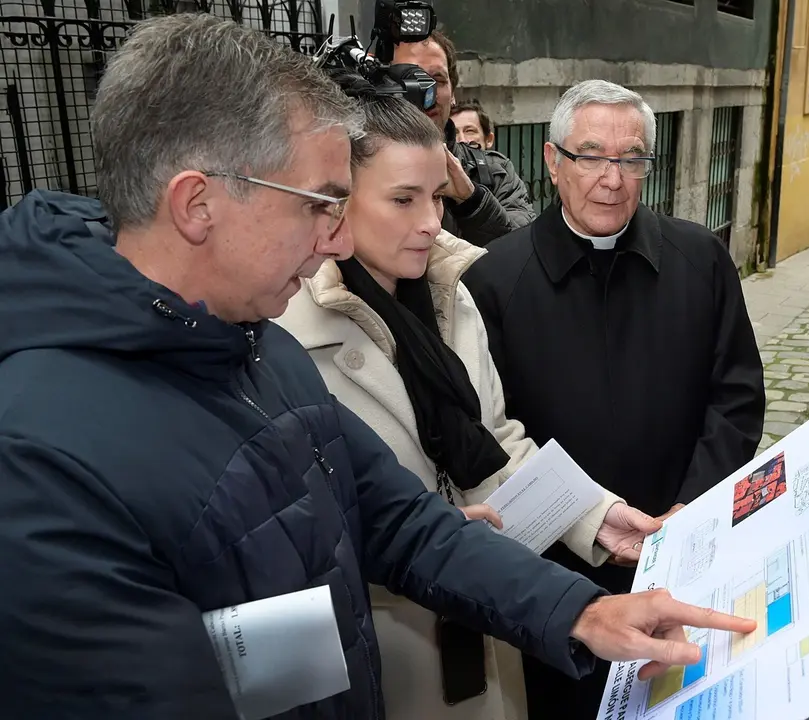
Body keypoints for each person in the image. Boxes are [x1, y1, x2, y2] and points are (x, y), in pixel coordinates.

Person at [0, 16, 756, 720]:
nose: (337, 243)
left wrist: (581, 611)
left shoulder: (260, 351)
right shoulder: (36, 457)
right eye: (319, 204)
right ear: (198, 204)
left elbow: (403, 522)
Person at [276, 92, 662, 720]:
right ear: (339, 200)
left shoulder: (452, 296)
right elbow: (301, 527)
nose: (431, 222)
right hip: (388, 644)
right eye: (403, 199)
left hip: (487, 627)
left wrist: (596, 516)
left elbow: (497, 442)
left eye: (437, 197)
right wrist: (437, 537)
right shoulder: (287, 332)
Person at [463, 79, 767, 719]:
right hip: (561, 573)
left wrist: (692, 505)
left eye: (630, 159)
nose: (612, 179)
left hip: (681, 548)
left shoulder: (701, 260)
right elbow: (490, 431)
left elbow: (737, 397)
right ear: (553, 163)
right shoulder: (493, 279)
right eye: (591, 157)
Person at [392, 29, 537, 245]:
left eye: (437, 80)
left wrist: (473, 202)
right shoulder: (354, 170)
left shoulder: (496, 173)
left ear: (453, 94)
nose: (427, 92)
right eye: (411, 78)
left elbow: (522, 252)